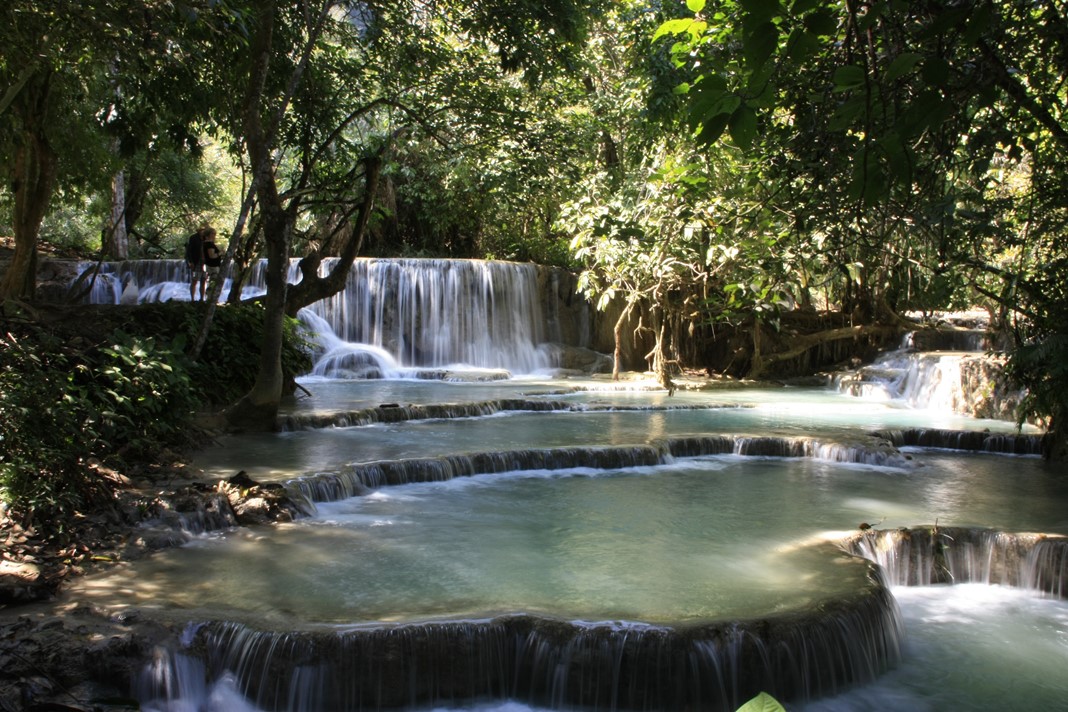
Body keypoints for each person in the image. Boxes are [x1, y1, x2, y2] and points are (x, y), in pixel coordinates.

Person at [185, 227, 206, 301]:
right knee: (194, 280)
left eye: (204, 230)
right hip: (196, 262)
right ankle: (192, 299)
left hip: (205, 263)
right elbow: (189, 251)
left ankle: (202, 299)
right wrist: (191, 262)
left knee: (203, 281)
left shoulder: (206, 238)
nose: (202, 232)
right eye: (201, 230)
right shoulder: (193, 238)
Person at [202, 227, 223, 297]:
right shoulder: (209, 244)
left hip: (211, 265)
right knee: (213, 282)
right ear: (208, 235)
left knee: (212, 282)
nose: (215, 235)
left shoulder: (208, 244)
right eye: (213, 233)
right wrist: (220, 253)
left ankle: (210, 298)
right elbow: (211, 256)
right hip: (212, 266)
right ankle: (210, 298)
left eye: (215, 233)